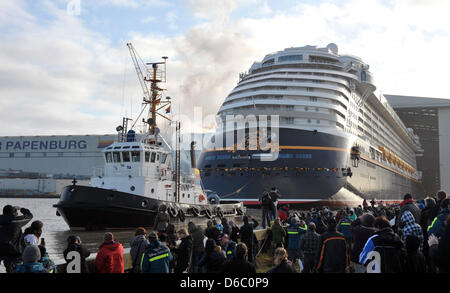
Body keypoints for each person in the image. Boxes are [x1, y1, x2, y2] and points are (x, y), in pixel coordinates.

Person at [0, 205, 33, 272]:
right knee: (15, 269)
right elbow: (29, 216)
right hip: (14, 252)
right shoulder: (16, 221)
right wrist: (21, 208)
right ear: (14, 213)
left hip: (1, 251)